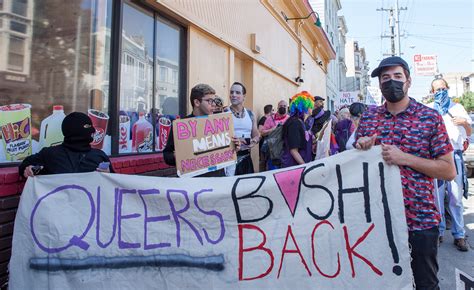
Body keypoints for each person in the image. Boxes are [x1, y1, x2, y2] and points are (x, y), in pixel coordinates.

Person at [355, 56, 456, 290]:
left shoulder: (430, 118)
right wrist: (361, 146)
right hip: (378, 222)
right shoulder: (369, 117)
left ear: (408, 81)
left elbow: (448, 170)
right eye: (385, 78)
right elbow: (358, 162)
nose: (391, 82)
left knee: (424, 284)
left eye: (397, 77)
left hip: (419, 221)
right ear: (379, 85)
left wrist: (405, 158)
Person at [163, 84, 240, 177]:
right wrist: (179, 157)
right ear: (197, 102)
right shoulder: (181, 126)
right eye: (209, 101)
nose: (214, 104)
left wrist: (234, 147)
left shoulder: (219, 123)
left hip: (217, 179)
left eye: (214, 101)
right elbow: (167, 155)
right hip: (193, 183)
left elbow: (224, 151)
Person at [430, 77, 471, 251]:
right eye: (436, 90)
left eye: (442, 89)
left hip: (454, 155)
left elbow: (468, 133)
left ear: (447, 88)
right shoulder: (430, 109)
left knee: (455, 197)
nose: (440, 92)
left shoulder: (458, 108)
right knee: (437, 199)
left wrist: (465, 124)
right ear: (432, 93)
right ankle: (439, 232)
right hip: (436, 158)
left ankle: (459, 234)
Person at [19, 112, 114, 177]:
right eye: (87, 126)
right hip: (59, 205)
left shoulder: (99, 156)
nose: (92, 130)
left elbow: (115, 182)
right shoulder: (51, 154)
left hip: (91, 205)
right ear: (73, 130)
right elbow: (25, 165)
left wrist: (109, 175)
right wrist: (27, 169)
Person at [226, 82, 260, 175]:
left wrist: (254, 141)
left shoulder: (250, 114)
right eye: (231, 92)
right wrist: (235, 140)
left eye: (237, 92)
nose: (233, 95)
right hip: (229, 161)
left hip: (246, 159)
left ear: (244, 96)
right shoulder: (224, 113)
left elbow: (256, 134)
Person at [281, 91, 314, 167]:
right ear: (303, 108)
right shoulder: (294, 123)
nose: (312, 109)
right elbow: (293, 150)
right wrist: (305, 167)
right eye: (310, 106)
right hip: (293, 166)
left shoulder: (301, 122)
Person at [261, 100, 290, 169]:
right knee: (273, 172)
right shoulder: (270, 119)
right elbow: (262, 133)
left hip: (285, 151)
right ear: (277, 107)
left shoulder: (289, 119)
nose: (282, 107)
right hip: (273, 152)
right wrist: (272, 129)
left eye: (284, 106)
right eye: (280, 106)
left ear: (287, 108)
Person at [258, 104, 273, 172]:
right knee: (263, 161)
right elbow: (260, 131)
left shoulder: (269, 119)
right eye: (273, 110)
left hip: (268, 144)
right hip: (263, 144)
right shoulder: (263, 119)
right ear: (270, 111)